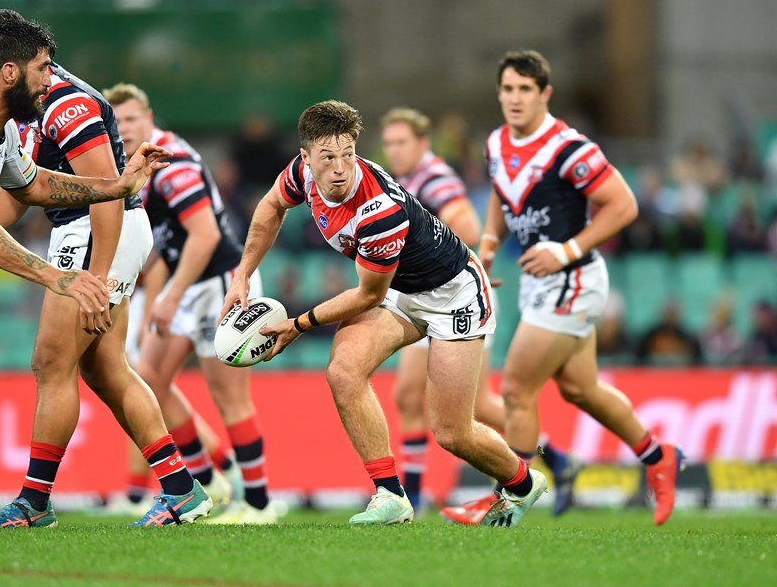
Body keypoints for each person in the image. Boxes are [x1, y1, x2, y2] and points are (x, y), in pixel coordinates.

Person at [221, 100, 548, 527]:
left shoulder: (378, 211)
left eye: (348, 154)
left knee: (452, 432)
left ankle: (523, 482)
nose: (340, 168)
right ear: (306, 157)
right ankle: (391, 494)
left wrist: (299, 324)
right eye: (328, 158)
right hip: (401, 289)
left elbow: (368, 295)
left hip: (453, 296)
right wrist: (243, 274)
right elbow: (270, 207)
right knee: (344, 371)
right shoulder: (302, 173)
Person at [0, 10, 212, 528]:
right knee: (105, 368)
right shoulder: (25, 106)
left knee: (51, 362)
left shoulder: (66, 104)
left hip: (97, 232)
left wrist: (95, 275)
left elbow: (107, 192)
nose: (47, 73)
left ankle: (34, 503)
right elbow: (28, 187)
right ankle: (182, 489)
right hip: (88, 230)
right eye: (41, 65)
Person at [446, 50, 683, 527]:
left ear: (545, 94)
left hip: (573, 279)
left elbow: (623, 205)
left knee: (516, 389)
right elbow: (503, 194)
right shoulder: (497, 143)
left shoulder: (569, 148)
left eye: (525, 89)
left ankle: (509, 497)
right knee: (580, 388)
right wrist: (489, 244)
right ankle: (659, 457)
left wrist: (565, 250)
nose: (515, 98)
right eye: (508, 89)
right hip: (540, 283)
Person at [380, 107, 580, 516]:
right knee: (410, 396)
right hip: (425, 298)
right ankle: (412, 496)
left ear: (423, 144)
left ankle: (553, 458)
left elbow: (468, 227)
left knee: (475, 409)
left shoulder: (434, 179)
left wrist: (439, 262)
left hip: (455, 298)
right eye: (388, 143)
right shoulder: (405, 181)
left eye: (401, 142)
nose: (393, 150)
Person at [105, 82, 277, 524]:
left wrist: (168, 296)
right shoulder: (135, 164)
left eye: (131, 119)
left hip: (221, 283)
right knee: (149, 378)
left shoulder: (172, 163)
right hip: (189, 283)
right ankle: (207, 478)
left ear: (149, 118)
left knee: (229, 398)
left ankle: (259, 503)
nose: (124, 128)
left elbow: (205, 235)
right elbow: (165, 241)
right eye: (117, 121)